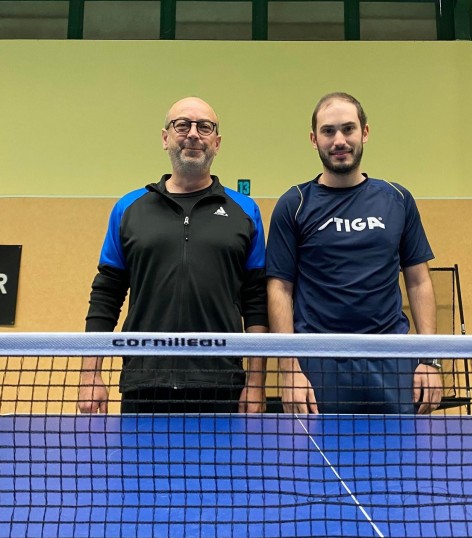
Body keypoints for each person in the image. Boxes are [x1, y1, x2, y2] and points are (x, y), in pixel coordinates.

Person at [79, 97, 268, 414]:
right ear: (165, 137)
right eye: (182, 125)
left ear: (217, 142)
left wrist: (257, 383)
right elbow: (106, 295)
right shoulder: (129, 208)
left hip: (221, 386)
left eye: (204, 127)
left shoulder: (245, 211)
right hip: (144, 384)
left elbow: (256, 301)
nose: (193, 134)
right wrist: (90, 375)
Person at [266, 92, 442, 414]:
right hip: (319, 364)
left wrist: (429, 360)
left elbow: (419, 281)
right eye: (328, 131)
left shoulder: (398, 199)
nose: (339, 140)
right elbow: (280, 288)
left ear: (365, 132)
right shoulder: (294, 204)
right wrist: (289, 370)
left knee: (397, 449)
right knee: (319, 449)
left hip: (391, 361)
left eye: (348, 129)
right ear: (314, 139)